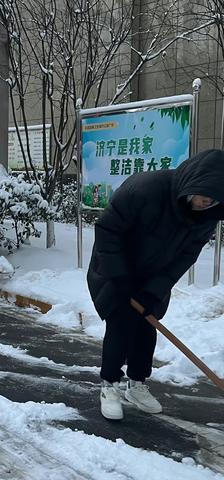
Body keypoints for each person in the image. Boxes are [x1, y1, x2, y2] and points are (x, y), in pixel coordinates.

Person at [87, 149, 224, 421]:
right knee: (120, 324)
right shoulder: (145, 188)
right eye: (203, 198)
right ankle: (109, 385)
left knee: (147, 326)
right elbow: (107, 230)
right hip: (116, 269)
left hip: (153, 277)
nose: (205, 204)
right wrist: (121, 278)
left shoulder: (208, 215)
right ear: (192, 184)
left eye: (212, 202)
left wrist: (154, 289)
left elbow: (186, 256)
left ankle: (137, 385)